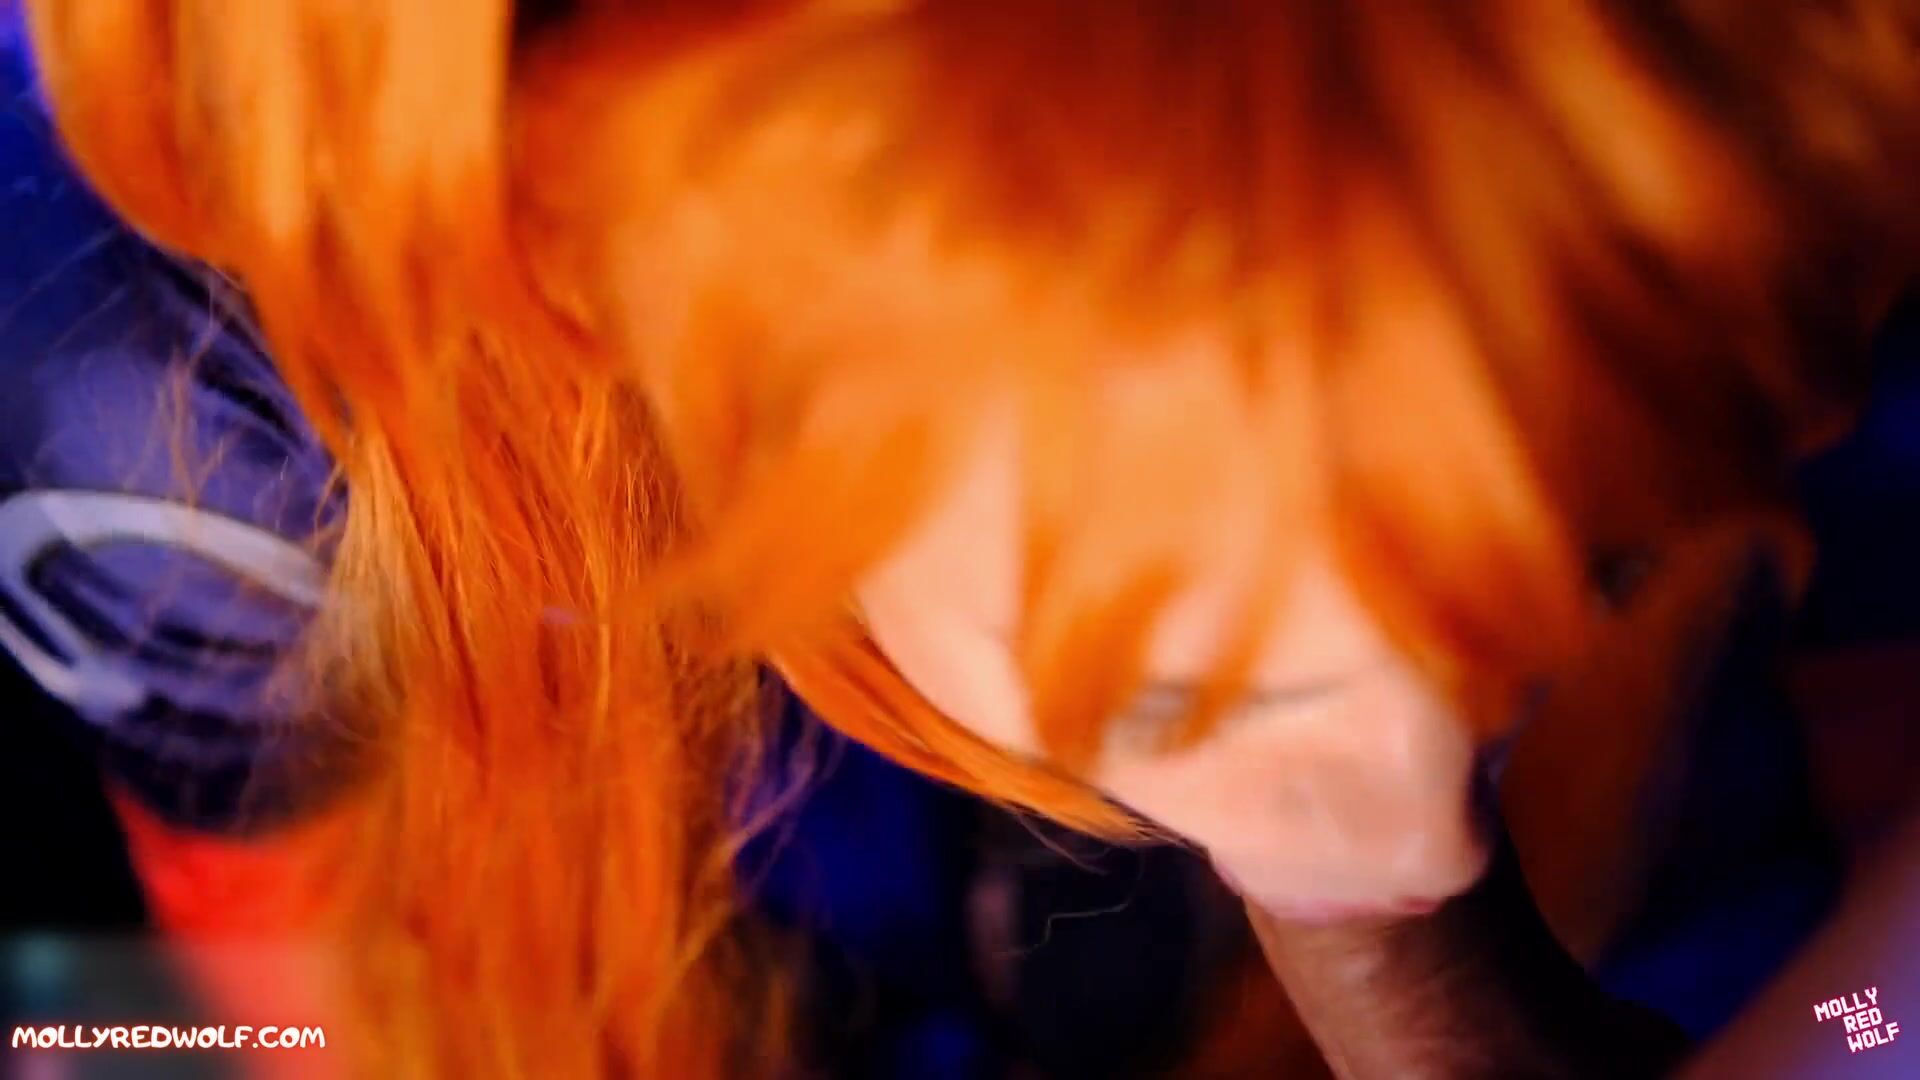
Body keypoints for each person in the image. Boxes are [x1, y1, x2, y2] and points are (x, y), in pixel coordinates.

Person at [10, 0, 1920, 1075]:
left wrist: (1827, 1040)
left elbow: (1871, 829)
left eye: (1596, 565)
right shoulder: (169, 383)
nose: (1417, 840)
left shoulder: (1721, 130)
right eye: (1191, 687)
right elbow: (304, 1013)